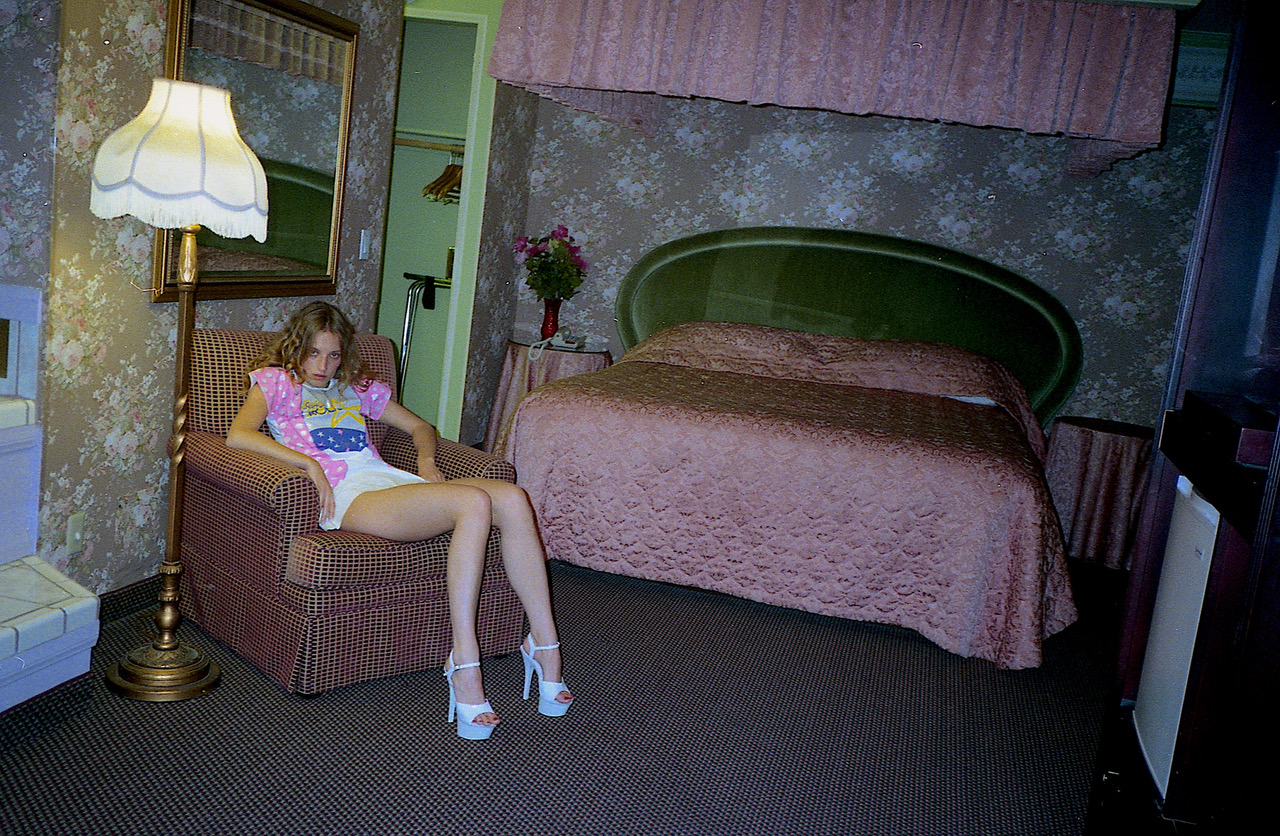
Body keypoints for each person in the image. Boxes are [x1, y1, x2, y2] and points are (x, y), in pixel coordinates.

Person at [227, 301, 571, 740]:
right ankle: (464, 661)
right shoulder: (275, 383)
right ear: (296, 348)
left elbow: (420, 427)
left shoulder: (355, 386)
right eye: (313, 353)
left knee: (514, 498)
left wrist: (427, 462)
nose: (323, 365)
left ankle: (544, 645)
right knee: (473, 504)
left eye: (333, 355)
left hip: (389, 480)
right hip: (348, 493)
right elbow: (238, 436)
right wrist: (308, 465)